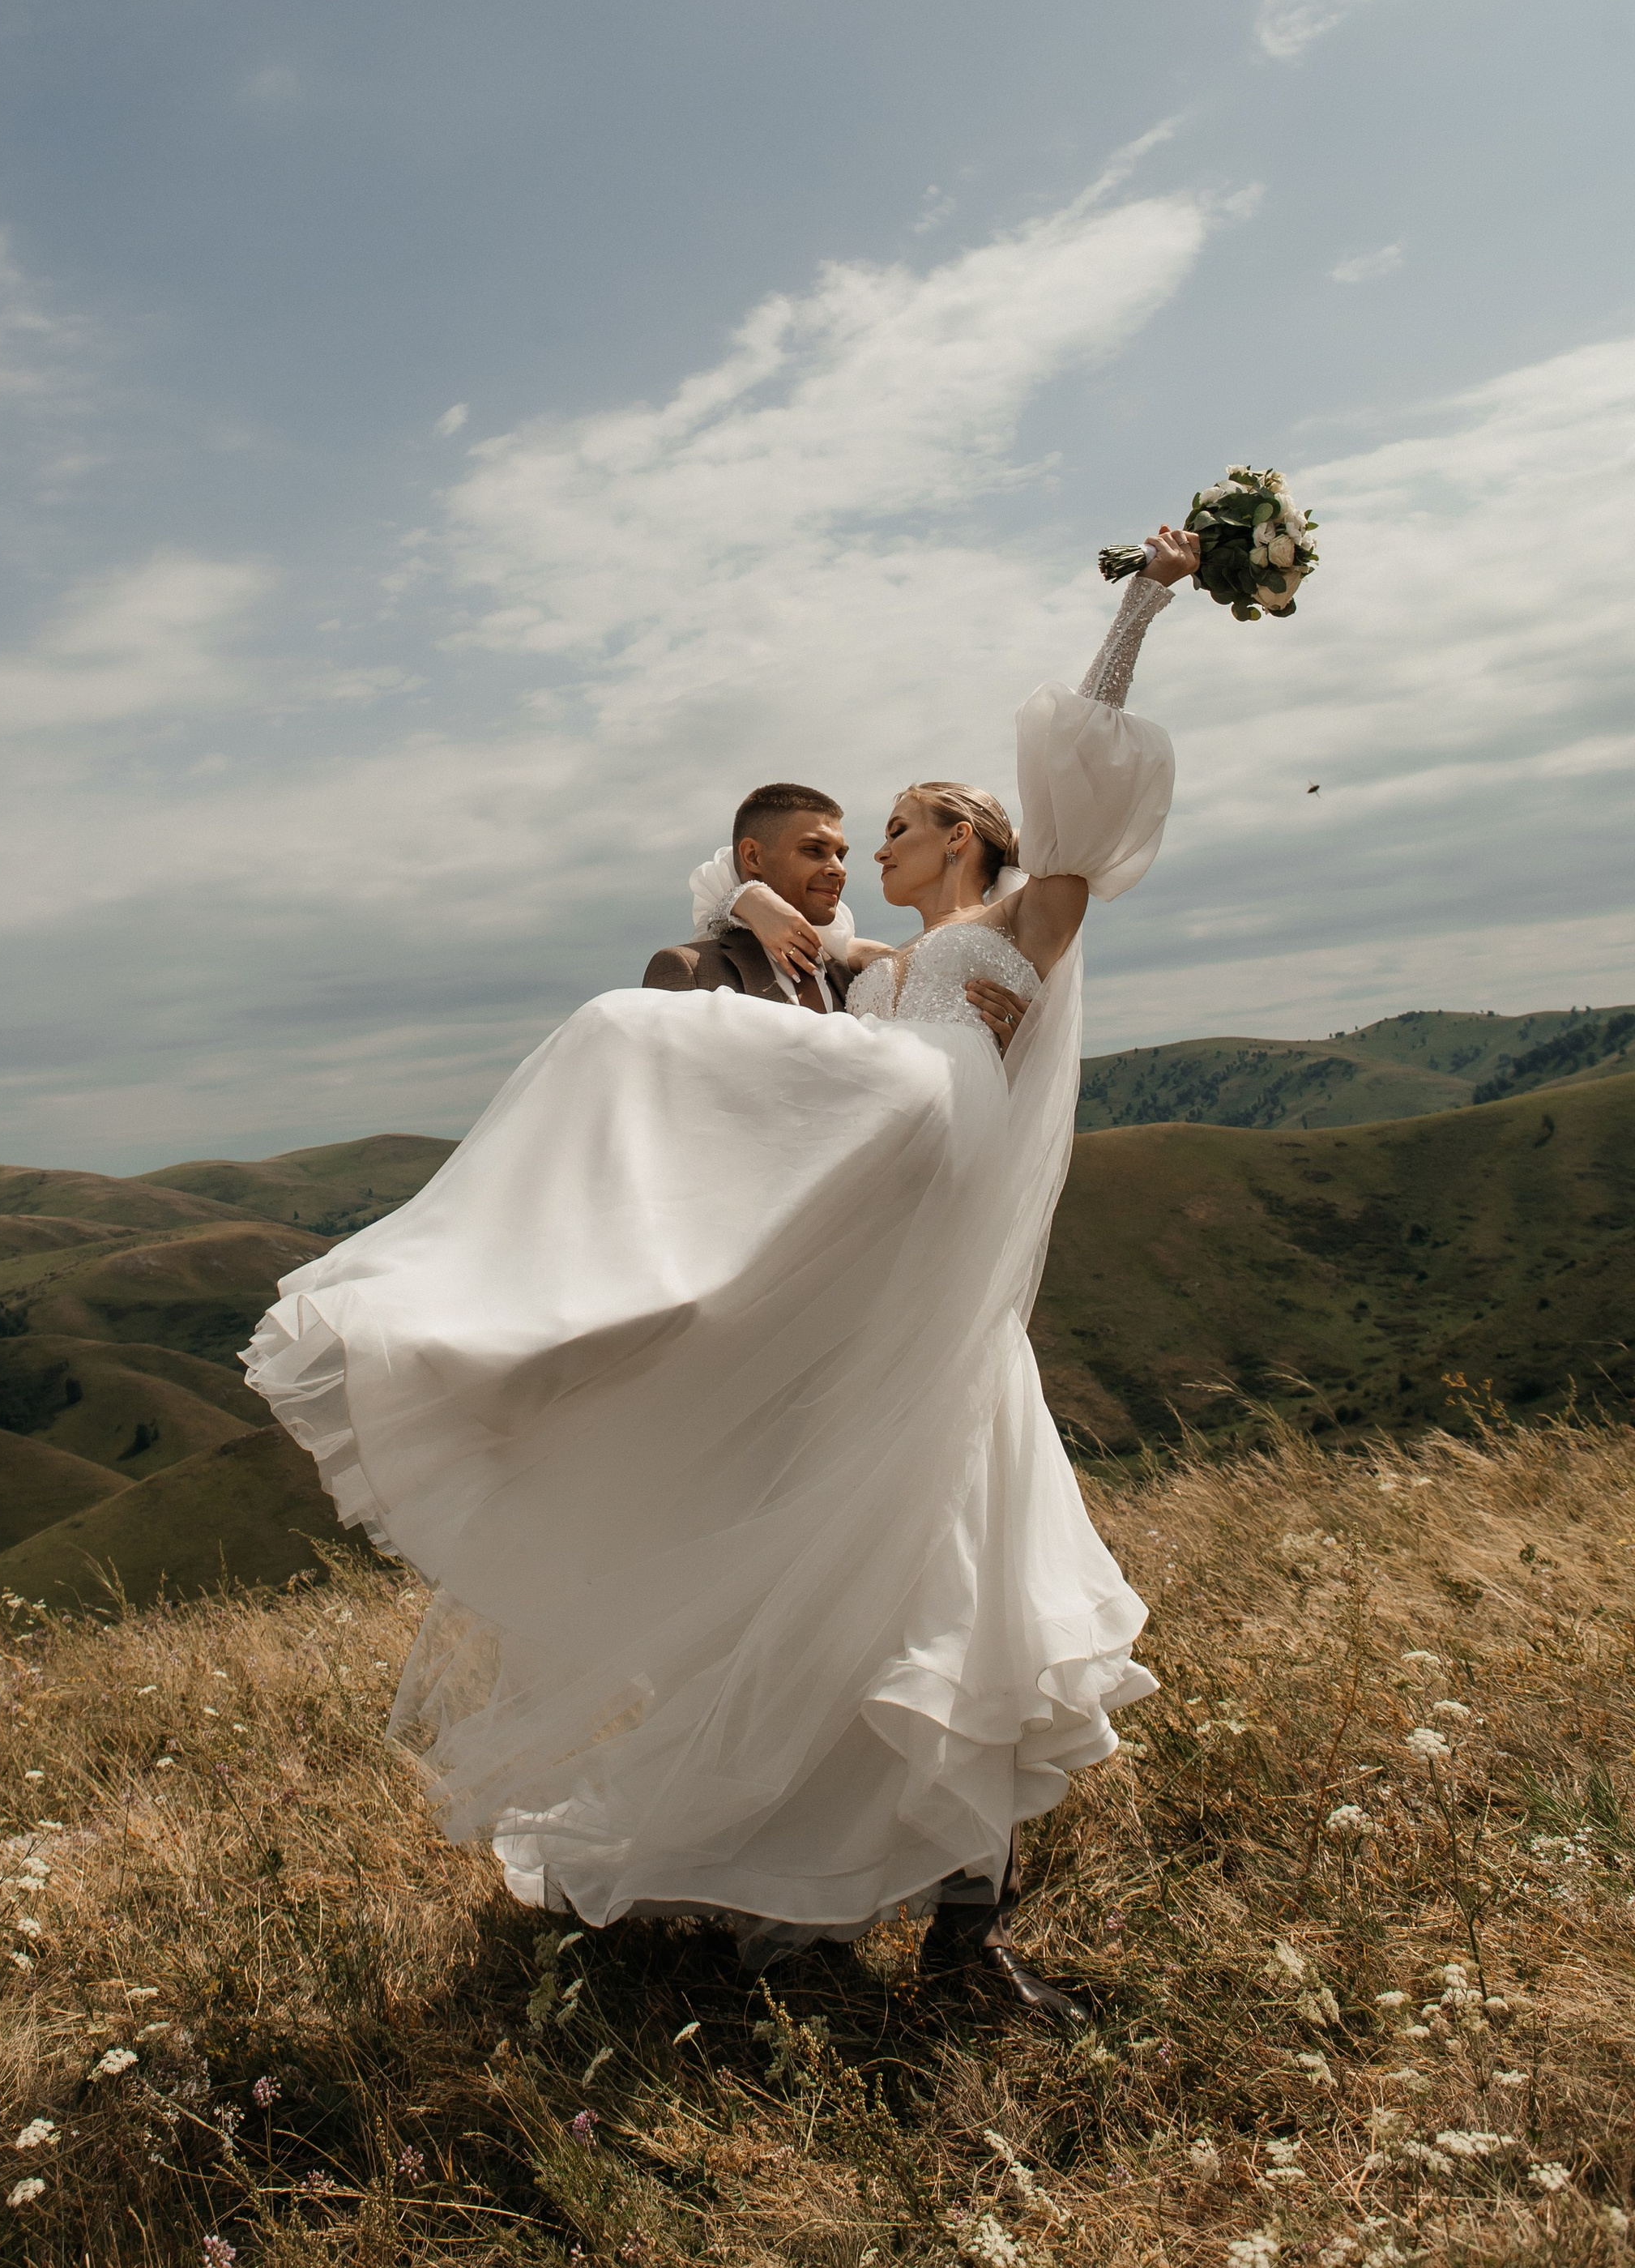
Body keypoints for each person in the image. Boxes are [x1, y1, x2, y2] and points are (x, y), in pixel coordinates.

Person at [241, 531, 1197, 2017]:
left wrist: (1142, 602)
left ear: (963, 837)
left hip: (940, 1282)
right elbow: (755, 915)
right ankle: (567, 1298)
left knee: (982, 1603)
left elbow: (1084, 771)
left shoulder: (1027, 920)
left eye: (897, 823)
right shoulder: (883, 969)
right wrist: (757, 908)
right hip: (878, 1271)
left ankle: (964, 1941)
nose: (874, 845)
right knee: (647, 1042)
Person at [641, 779, 1027, 1058]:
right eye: (814, 850)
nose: (838, 870)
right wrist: (748, 897)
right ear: (754, 858)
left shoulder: (858, 977)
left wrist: (1005, 1049)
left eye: (840, 855)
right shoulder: (689, 969)